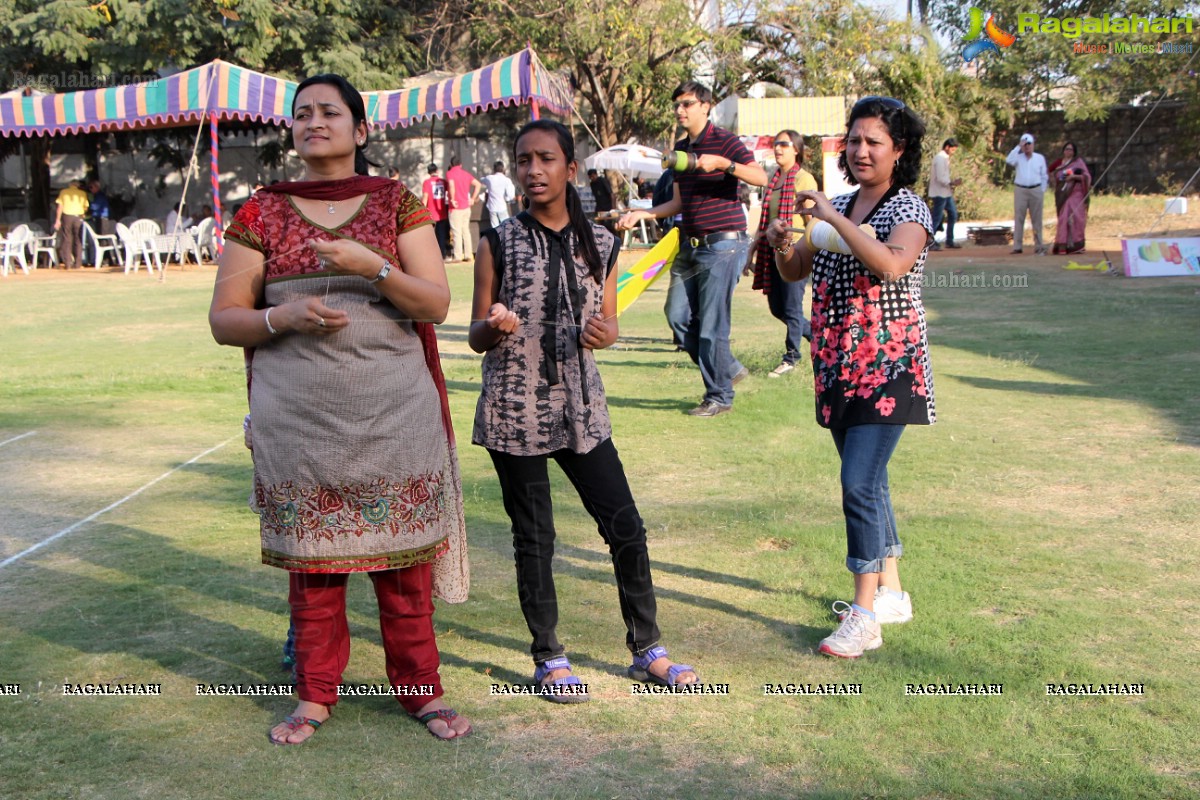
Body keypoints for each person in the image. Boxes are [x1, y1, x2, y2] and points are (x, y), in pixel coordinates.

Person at [209, 73, 471, 743]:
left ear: (361, 130)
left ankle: (421, 693)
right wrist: (285, 315)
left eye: (329, 112)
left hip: (393, 415)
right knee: (313, 574)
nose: (313, 122)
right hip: (301, 422)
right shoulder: (260, 213)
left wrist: (368, 266)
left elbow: (435, 304)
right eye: (302, 114)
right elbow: (225, 320)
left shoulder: (396, 204)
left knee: (404, 571)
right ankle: (315, 697)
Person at [469, 120, 698, 700]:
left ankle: (648, 649)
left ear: (570, 168)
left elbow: (610, 322)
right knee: (535, 537)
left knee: (626, 526)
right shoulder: (497, 241)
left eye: (546, 158)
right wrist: (492, 328)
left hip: (581, 408)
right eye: (523, 160)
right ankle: (549, 656)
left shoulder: (601, 243)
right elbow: (474, 332)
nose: (532, 170)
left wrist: (606, 333)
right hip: (514, 408)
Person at [765, 96, 936, 659]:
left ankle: (863, 616)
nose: (861, 151)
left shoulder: (907, 208)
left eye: (875, 142)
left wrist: (832, 219)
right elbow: (796, 268)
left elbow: (890, 263)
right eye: (855, 140)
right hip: (837, 364)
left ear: (899, 151)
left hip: (889, 367)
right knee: (871, 478)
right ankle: (892, 592)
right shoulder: (836, 204)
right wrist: (783, 242)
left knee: (859, 483)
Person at [617, 81, 767, 417]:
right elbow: (678, 202)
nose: (680, 111)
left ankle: (719, 396)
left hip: (724, 245)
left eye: (686, 104)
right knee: (677, 316)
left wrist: (723, 164)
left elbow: (760, 177)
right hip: (690, 243)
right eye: (677, 105)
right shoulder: (682, 149)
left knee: (713, 325)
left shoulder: (726, 141)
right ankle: (727, 367)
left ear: (705, 105)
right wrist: (644, 212)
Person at [745, 129, 817, 378]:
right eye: (775, 144)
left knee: (792, 307)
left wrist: (813, 252)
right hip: (772, 251)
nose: (778, 149)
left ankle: (791, 357)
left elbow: (812, 219)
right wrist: (751, 250)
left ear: (796, 149)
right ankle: (818, 337)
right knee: (778, 308)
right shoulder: (773, 179)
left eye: (784, 145)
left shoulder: (803, 179)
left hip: (795, 251)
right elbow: (766, 222)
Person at [1006, 133, 1049, 255]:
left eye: (1029, 144)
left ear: (1033, 145)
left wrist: (1042, 190)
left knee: (1037, 219)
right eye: (1025, 144)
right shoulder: (1018, 158)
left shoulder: (1039, 158)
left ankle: (1039, 245)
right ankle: (1017, 246)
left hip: (1036, 189)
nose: (1027, 147)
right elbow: (1009, 160)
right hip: (1021, 189)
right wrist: (1018, 147)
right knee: (1019, 218)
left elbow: (1044, 175)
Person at [1049, 142, 1091, 254]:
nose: (1068, 151)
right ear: (1063, 151)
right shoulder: (1059, 163)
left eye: (1071, 150)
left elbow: (1086, 177)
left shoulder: (1078, 162)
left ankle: (1076, 245)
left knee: (1076, 218)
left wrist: (1074, 177)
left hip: (1076, 193)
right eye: (1066, 149)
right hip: (1063, 194)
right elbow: (1051, 172)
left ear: (1074, 152)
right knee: (1063, 218)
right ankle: (1062, 245)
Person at [928, 137, 962, 250]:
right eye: (952, 150)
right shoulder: (940, 158)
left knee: (953, 214)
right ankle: (930, 242)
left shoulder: (944, 158)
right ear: (947, 147)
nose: (953, 153)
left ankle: (949, 240)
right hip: (939, 192)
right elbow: (940, 178)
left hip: (945, 192)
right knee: (937, 217)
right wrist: (952, 182)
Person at [446, 155, 482, 262]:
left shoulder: (450, 173)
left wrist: (452, 199)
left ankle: (458, 255)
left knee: (456, 232)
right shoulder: (466, 174)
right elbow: (478, 185)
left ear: (451, 164)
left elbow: (451, 185)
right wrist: (472, 198)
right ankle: (468, 254)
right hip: (466, 206)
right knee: (466, 231)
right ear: (460, 164)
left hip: (455, 207)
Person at [53, 179, 90, 269]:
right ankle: (78, 263)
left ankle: (68, 263)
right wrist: (82, 214)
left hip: (67, 216)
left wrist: (58, 220)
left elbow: (60, 207)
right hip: (78, 216)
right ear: (78, 185)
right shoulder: (82, 193)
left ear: (70, 185)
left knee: (67, 238)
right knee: (78, 239)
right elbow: (85, 207)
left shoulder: (64, 192)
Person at [422, 163, 451, 259]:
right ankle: (442, 254)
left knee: (432, 236)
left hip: (431, 213)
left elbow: (425, 197)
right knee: (442, 235)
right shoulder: (443, 181)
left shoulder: (427, 182)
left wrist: (422, 210)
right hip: (442, 212)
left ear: (428, 172)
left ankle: (432, 255)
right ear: (437, 171)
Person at [481, 160, 516, 229]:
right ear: (503, 169)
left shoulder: (489, 178)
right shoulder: (506, 180)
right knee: (506, 227)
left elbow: (481, 180)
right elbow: (511, 195)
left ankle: (497, 239)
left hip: (492, 207)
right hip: (502, 206)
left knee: (495, 227)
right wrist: (507, 199)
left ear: (494, 169)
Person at [587, 168, 615, 233]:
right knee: (599, 223)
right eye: (590, 177)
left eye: (592, 176)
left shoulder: (603, 181)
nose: (591, 178)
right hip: (599, 206)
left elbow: (611, 194)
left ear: (595, 175)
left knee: (608, 223)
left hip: (607, 206)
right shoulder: (592, 184)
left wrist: (613, 207)